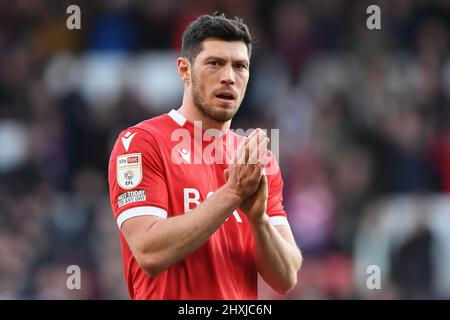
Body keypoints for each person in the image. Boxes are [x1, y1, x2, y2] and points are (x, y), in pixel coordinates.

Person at [108, 13, 302, 300]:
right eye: (215, 63)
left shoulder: (255, 161)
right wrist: (233, 194)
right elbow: (149, 251)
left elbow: (286, 277)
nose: (228, 77)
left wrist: (258, 220)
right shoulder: (142, 142)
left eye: (240, 66)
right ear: (184, 70)